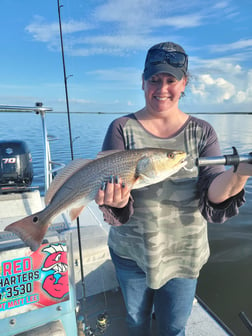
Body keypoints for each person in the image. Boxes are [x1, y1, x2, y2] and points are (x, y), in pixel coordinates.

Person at [95, 41, 252, 336]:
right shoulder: (121, 127)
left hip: (185, 254)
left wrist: (241, 173)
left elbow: (213, 194)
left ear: (185, 83)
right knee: (135, 322)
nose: (162, 88)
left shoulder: (202, 131)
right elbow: (111, 195)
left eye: (171, 80)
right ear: (142, 81)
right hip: (131, 252)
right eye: (154, 79)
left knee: (174, 328)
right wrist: (113, 202)